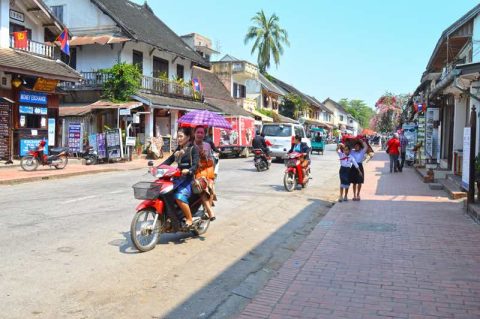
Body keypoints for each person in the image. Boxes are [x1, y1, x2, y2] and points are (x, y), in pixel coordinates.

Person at [161, 128, 199, 227]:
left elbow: (195, 165)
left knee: (179, 197)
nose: (178, 138)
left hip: (188, 179)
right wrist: (157, 168)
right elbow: (169, 160)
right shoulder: (179, 149)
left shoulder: (193, 149)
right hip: (178, 177)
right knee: (165, 193)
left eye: (181, 136)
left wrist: (189, 170)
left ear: (188, 137)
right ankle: (171, 217)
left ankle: (189, 219)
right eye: (177, 136)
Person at [193, 126, 217, 221]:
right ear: (194, 133)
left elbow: (211, 160)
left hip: (207, 171)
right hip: (196, 172)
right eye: (198, 132)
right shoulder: (191, 145)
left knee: (211, 187)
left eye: (202, 133)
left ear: (204, 134)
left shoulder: (207, 145)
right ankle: (210, 211)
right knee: (201, 185)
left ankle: (207, 210)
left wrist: (204, 157)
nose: (199, 134)